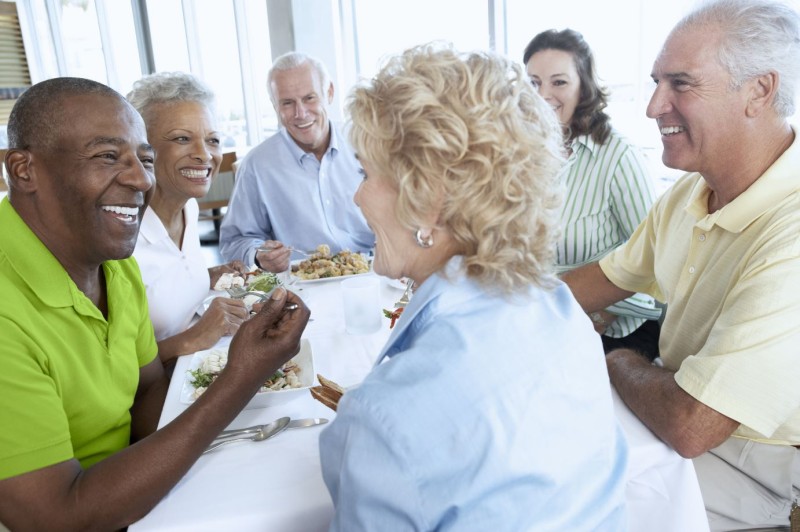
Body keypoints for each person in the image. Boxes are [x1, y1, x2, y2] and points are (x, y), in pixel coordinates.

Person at [319, 44, 628, 531]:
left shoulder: (384, 419)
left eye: (366, 172)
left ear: (429, 201)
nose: (357, 194)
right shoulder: (559, 310)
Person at [0, 77, 309, 530]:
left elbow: (145, 399)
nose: (142, 179)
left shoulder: (112, 263)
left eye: (144, 160)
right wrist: (239, 377)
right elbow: (58, 517)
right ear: (24, 169)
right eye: (107, 156)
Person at [561, 0, 800, 529]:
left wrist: (617, 360)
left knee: (555, 502)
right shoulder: (692, 192)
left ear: (759, 91)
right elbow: (593, 284)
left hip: (757, 467)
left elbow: (691, 425)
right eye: (655, 82)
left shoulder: (793, 232)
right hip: (670, 416)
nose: (653, 106)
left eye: (680, 84)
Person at [524, 28, 661, 360]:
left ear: (584, 86)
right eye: (534, 83)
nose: (544, 94)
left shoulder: (619, 158)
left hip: (613, 334)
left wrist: (601, 312)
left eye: (559, 82)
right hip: (540, 319)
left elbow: (658, 268)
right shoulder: (526, 153)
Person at [127, 72, 249, 371]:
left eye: (213, 140)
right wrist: (192, 339)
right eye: (182, 138)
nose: (204, 154)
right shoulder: (120, 238)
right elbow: (113, 371)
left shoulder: (189, 208)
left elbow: (166, 277)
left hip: (207, 365)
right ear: (143, 149)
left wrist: (207, 276)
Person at [219, 52, 374, 273]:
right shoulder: (257, 165)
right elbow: (234, 241)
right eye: (287, 103)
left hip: (373, 273)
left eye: (309, 98)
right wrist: (258, 255)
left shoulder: (366, 141)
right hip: (303, 287)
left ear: (329, 93)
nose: (300, 113)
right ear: (274, 106)